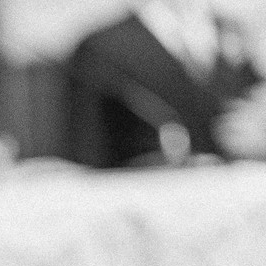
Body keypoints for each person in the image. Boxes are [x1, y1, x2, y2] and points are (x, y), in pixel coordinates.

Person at [68, 0, 261, 168]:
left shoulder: (234, 34)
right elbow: (87, 152)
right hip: (145, 196)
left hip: (233, 191)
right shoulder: (101, 48)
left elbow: (248, 108)